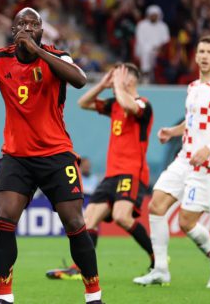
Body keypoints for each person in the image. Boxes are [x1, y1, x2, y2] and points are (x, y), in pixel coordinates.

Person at [0, 8, 102, 304]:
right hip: (17, 156)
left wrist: (38, 52)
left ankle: (94, 296)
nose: (27, 27)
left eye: (33, 24)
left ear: (42, 31)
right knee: (5, 218)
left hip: (57, 154)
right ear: (12, 31)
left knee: (74, 222)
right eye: (21, 24)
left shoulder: (57, 57)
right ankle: (4, 298)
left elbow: (80, 80)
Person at [134, 36, 210, 288]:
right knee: (156, 205)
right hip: (184, 159)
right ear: (195, 56)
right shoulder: (193, 87)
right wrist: (173, 131)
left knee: (186, 222)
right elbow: (193, 121)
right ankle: (160, 270)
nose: (204, 55)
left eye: (209, 52)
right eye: (201, 51)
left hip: (207, 164)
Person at [46, 63, 154, 280]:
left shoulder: (143, 104)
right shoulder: (114, 104)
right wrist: (103, 85)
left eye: (116, 76)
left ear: (130, 80)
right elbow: (82, 102)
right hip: (111, 174)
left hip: (131, 172)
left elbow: (130, 106)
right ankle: (80, 269)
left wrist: (119, 87)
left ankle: (157, 259)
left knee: (122, 217)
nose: (112, 80)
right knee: (89, 219)